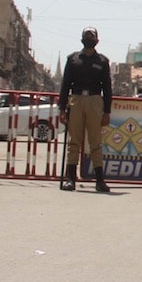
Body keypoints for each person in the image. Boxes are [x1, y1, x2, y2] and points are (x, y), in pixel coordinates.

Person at [57, 27, 113, 193]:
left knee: (95, 143)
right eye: (87, 36)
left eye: (92, 36)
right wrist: (62, 108)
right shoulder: (73, 59)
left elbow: (107, 88)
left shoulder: (102, 61)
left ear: (97, 40)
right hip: (76, 100)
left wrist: (107, 111)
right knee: (74, 141)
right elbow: (65, 85)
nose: (89, 38)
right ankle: (70, 179)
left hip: (95, 101)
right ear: (82, 39)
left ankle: (100, 181)